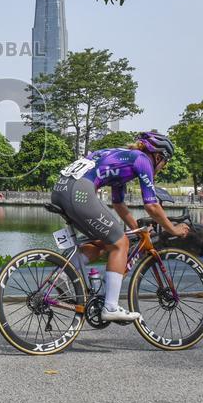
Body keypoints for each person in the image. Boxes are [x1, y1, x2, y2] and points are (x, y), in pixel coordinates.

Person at [51, 131, 189, 322]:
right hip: (79, 192)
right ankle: (111, 307)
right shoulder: (142, 160)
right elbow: (152, 206)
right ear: (158, 156)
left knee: (105, 242)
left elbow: (119, 205)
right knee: (121, 243)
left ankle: (62, 275)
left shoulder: (123, 159)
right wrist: (172, 229)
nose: (162, 168)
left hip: (61, 189)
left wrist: (138, 230)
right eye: (164, 163)